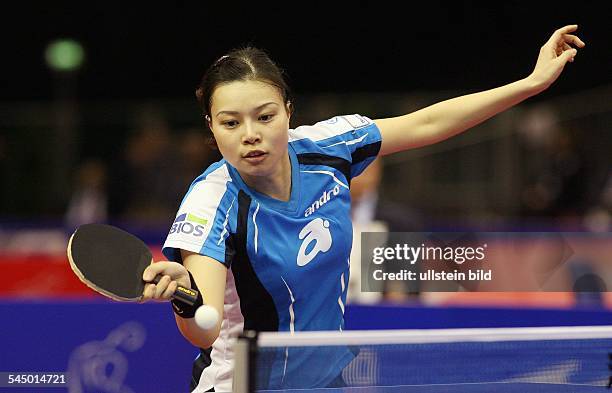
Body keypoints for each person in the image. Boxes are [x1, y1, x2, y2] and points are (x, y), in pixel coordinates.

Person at [140, 25, 585, 391]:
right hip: (247, 384)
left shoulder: (329, 149)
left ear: (288, 112)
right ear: (211, 128)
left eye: (265, 116)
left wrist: (530, 85)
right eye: (231, 123)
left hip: (328, 380)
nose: (250, 134)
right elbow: (205, 327)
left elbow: (428, 122)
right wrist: (184, 297)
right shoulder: (211, 200)